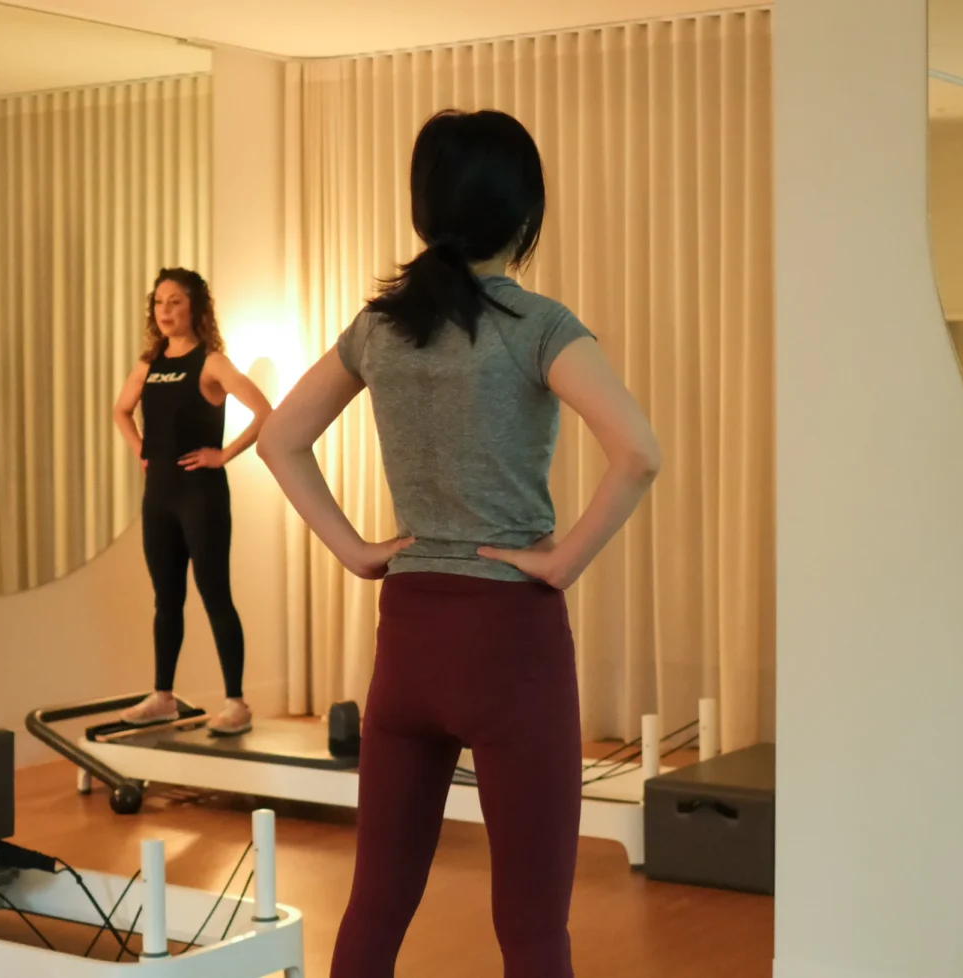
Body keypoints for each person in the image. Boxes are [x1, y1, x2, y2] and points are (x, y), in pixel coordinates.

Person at [257, 109, 660, 978]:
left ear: (426, 209)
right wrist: (564, 559)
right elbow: (638, 454)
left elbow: (280, 439)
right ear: (524, 217)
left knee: (376, 905)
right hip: (510, 638)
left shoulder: (378, 328)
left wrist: (358, 550)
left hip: (409, 635)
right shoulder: (541, 325)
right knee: (531, 927)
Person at [113, 268, 272, 737]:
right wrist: (139, 448)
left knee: (214, 594)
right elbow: (121, 410)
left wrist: (222, 455)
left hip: (200, 498)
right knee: (167, 599)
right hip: (158, 498)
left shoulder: (211, 363)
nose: (165, 310)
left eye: (175, 301)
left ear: (195, 309)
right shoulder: (148, 364)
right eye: (159, 302)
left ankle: (236, 702)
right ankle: (162, 696)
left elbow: (265, 412)